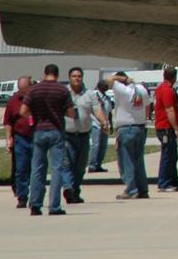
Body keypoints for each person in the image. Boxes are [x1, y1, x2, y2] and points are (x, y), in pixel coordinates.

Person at [22, 63, 71, 215]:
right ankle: (54, 206)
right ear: (57, 74)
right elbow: (71, 113)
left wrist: (35, 115)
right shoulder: (62, 89)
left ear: (44, 73)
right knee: (57, 169)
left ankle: (35, 204)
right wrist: (59, 111)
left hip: (39, 131)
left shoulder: (34, 89)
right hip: (56, 131)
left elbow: (23, 111)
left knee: (37, 168)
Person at [60, 66, 106, 204]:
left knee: (80, 167)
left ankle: (74, 192)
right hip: (66, 135)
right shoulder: (63, 93)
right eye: (74, 76)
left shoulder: (90, 94)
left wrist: (104, 121)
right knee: (67, 164)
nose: (77, 78)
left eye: (79, 76)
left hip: (83, 136)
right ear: (69, 78)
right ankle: (68, 188)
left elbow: (97, 109)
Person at [108, 71, 150, 199]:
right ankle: (142, 189)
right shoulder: (142, 89)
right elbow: (147, 107)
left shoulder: (122, 90)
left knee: (126, 161)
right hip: (140, 127)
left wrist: (122, 79)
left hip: (126, 128)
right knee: (138, 160)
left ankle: (131, 189)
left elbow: (109, 79)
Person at [154, 66, 178, 193]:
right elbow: (169, 110)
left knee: (173, 156)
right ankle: (164, 183)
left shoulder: (162, 88)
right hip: (166, 127)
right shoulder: (167, 90)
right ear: (174, 77)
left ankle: (173, 182)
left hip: (165, 127)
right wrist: (176, 128)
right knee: (167, 155)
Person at [3, 75, 34, 207]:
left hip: (36, 137)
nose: (23, 92)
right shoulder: (13, 101)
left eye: (25, 89)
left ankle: (35, 196)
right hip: (20, 138)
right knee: (21, 168)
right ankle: (22, 196)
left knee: (35, 169)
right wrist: (8, 138)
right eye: (21, 90)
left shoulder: (36, 99)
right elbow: (8, 122)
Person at [87, 79, 113, 172]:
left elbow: (109, 112)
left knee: (103, 146)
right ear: (99, 87)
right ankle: (92, 165)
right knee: (96, 145)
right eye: (104, 85)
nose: (106, 87)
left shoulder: (107, 98)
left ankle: (98, 164)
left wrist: (111, 125)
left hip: (105, 125)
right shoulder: (94, 96)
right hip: (96, 124)